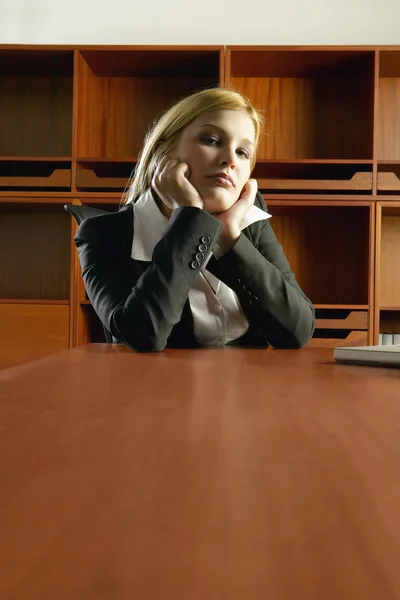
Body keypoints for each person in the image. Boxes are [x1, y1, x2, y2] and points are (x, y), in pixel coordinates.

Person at [74, 87, 315, 352]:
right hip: (155, 389)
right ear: (163, 152)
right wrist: (189, 217)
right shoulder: (101, 234)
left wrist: (229, 237)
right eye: (211, 140)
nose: (230, 160)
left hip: (248, 388)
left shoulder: (249, 218)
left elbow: (297, 330)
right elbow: (143, 336)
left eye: (243, 153)